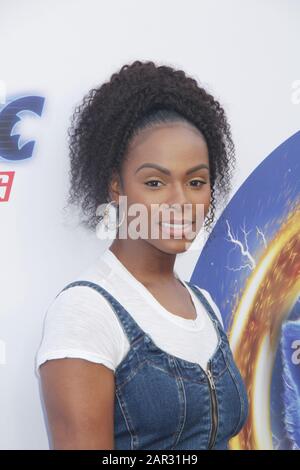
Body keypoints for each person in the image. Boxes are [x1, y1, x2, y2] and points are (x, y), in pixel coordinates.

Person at [36, 60, 249, 450]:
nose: (181, 202)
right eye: (155, 182)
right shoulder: (86, 313)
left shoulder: (204, 306)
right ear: (117, 186)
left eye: (196, 182)